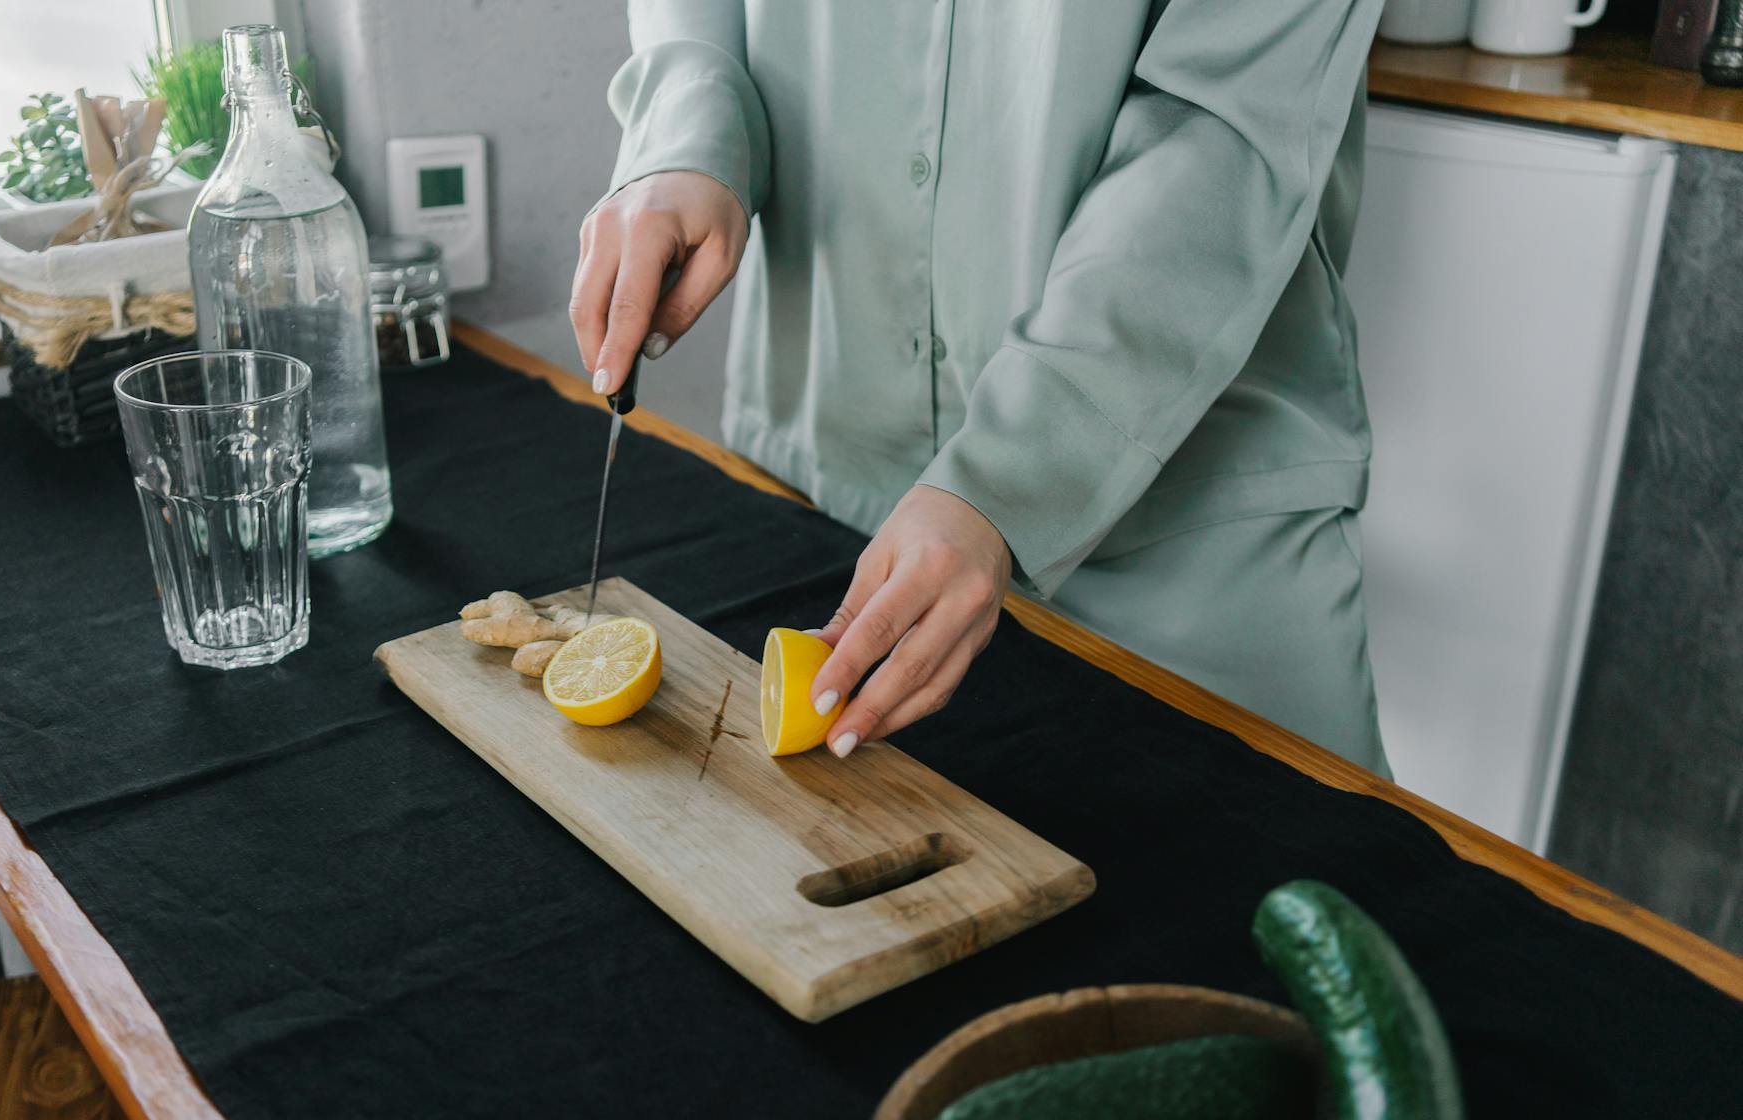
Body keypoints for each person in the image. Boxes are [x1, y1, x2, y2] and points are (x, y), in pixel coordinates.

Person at [572, 1, 1392, 775]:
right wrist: (683, 137)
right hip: (827, 487)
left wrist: (1006, 477)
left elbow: (1224, 132)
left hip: (1187, 536)